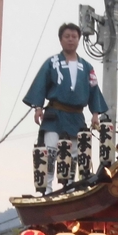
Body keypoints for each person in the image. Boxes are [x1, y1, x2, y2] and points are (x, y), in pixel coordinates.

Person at [22, 22, 108, 193]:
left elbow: (93, 90)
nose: (70, 40)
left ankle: (68, 188)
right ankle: (46, 189)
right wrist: (38, 107)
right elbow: (41, 85)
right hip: (54, 114)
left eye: (74, 37)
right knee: (51, 151)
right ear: (60, 40)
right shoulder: (52, 63)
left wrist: (96, 114)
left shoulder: (87, 67)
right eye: (67, 37)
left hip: (76, 116)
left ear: (78, 40)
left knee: (73, 154)